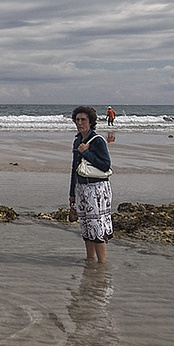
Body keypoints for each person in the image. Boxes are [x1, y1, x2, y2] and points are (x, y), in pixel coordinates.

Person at [69, 105, 112, 265]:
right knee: (86, 225)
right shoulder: (77, 140)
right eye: (77, 120)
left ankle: (102, 263)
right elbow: (74, 169)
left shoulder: (98, 140)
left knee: (97, 226)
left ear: (90, 121)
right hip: (81, 187)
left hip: (97, 188)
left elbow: (106, 165)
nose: (79, 123)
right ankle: (90, 258)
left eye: (83, 120)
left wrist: (86, 152)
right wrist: (72, 193)